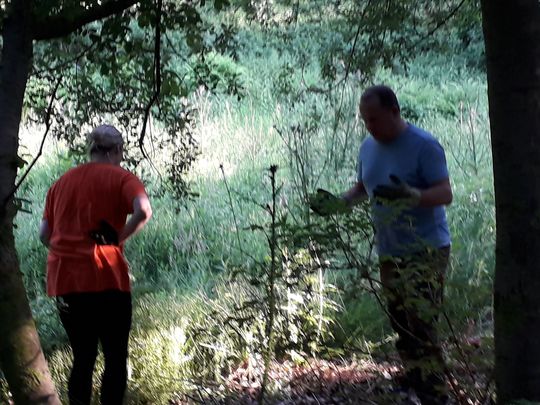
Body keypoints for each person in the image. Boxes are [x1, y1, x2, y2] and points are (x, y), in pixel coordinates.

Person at [312, 85, 452, 404]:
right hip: (390, 251)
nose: (369, 126)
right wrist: (338, 203)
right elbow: (364, 187)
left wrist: (414, 196)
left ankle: (436, 394)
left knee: (422, 323)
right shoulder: (368, 147)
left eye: (374, 119)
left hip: (426, 250)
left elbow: (445, 193)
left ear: (394, 111)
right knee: (400, 320)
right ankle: (414, 384)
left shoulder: (425, 146)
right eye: (365, 120)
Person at [39, 124, 152, 405]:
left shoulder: (60, 184)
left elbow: (44, 234)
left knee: (83, 357)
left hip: (66, 282)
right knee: (115, 357)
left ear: (91, 150)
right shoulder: (122, 178)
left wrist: (68, 253)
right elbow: (143, 210)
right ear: (116, 150)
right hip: (107, 280)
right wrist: (117, 239)